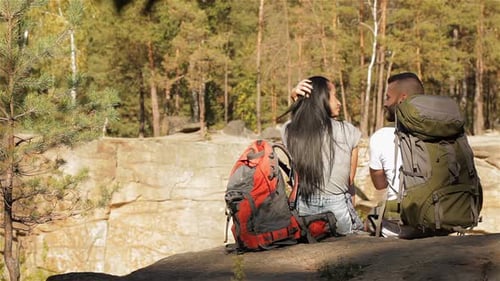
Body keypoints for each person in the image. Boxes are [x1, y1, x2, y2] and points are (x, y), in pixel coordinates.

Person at [281, 76, 364, 235]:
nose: (339, 102)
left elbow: (299, 121)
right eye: (334, 96)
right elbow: (349, 180)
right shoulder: (348, 131)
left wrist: (296, 99)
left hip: (303, 209)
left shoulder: (289, 131)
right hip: (337, 210)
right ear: (321, 99)